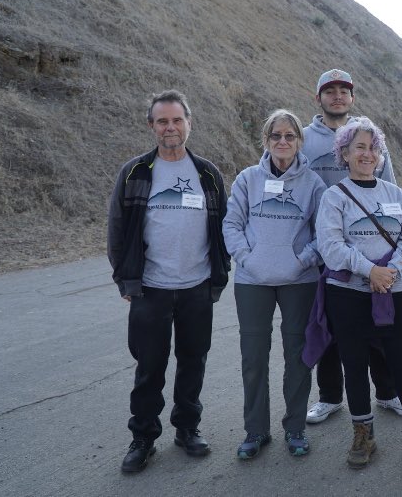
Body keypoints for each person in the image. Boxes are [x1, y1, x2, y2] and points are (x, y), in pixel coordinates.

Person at [107, 89, 230, 473]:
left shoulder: (208, 174)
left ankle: (187, 428)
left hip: (196, 287)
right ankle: (143, 437)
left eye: (177, 120)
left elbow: (224, 227)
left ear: (189, 124)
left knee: (193, 361)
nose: (170, 127)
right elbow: (117, 228)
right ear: (151, 126)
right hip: (151, 288)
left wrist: (218, 275)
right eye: (162, 121)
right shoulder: (135, 173)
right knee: (149, 367)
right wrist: (125, 280)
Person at [308, 117, 402, 469]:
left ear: (380, 155)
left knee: (401, 362)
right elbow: (331, 248)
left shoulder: (395, 194)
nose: (367, 154)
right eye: (359, 147)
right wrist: (372, 271)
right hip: (347, 295)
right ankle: (363, 433)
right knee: (354, 363)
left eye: (373, 147)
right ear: (344, 154)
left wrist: (390, 272)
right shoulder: (334, 196)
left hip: (391, 290)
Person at [223, 109, 326, 460]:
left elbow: (324, 232)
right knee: (253, 358)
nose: (283, 142)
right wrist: (247, 259)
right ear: (266, 141)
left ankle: (295, 428)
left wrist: (302, 261)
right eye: (276, 136)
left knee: (298, 357)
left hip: (299, 281)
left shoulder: (313, 183)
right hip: (252, 281)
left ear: (299, 141)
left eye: (290, 136)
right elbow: (231, 225)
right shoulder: (247, 179)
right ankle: (256, 431)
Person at [301, 68, 402, 424]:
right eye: (330, 90)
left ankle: (388, 392)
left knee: (378, 322)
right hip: (324, 245)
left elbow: (387, 184)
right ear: (319, 98)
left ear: (352, 98)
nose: (338, 96)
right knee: (329, 323)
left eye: (344, 90)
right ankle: (329, 396)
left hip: (370, 245)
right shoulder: (304, 138)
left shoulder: (370, 135)